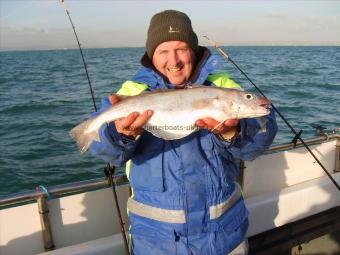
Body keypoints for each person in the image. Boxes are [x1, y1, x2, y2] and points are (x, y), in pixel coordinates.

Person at [89, 10, 277, 255]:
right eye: (163, 51)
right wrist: (119, 134)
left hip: (223, 236)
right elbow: (102, 147)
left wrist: (234, 131)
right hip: (157, 241)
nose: (174, 60)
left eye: (181, 49)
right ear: (151, 55)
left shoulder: (222, 87)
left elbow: (262, 134)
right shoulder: (132, 91)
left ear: (193, 50)